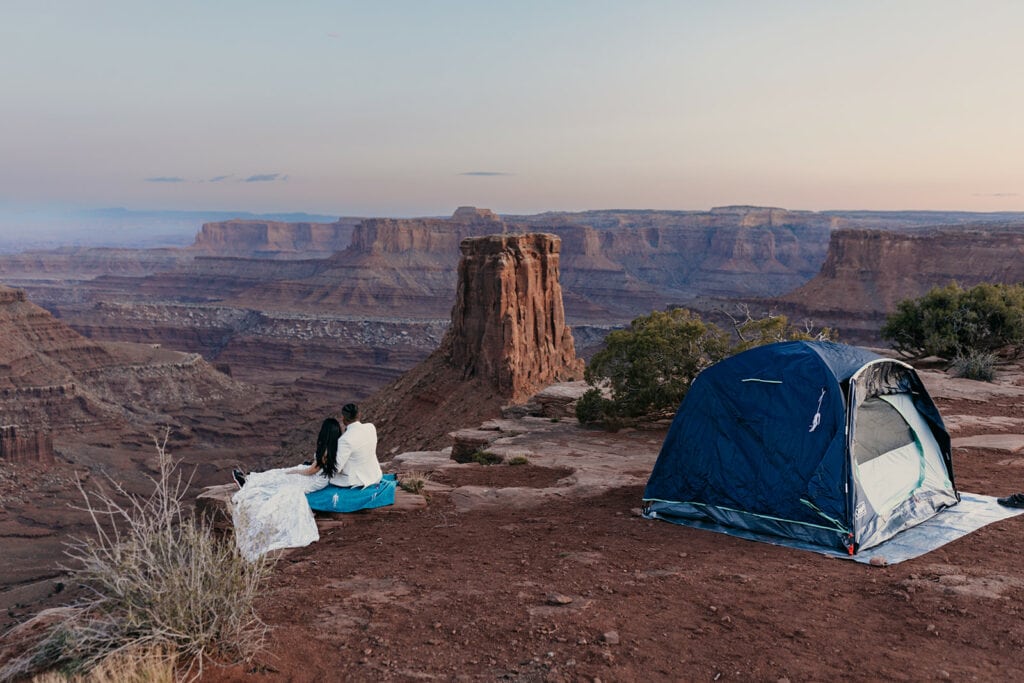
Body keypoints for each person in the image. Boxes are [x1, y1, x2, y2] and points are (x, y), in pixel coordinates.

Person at [230, 417, 342, 560]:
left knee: (285, 475)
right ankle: (250, 479)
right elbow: (317, 467)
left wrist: (296, 472)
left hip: (314, 480)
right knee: (286, 472)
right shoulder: (337, 446)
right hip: (321, 479)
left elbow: (311, 471)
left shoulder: (325, 450)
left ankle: (249, 481)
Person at [330, 403, 382, 488]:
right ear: (359, 415)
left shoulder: (345, 439)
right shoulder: (371, 427)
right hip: (375, 475)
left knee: (324, 476)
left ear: (343, 418)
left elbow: (336, 468)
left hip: (358, 481)